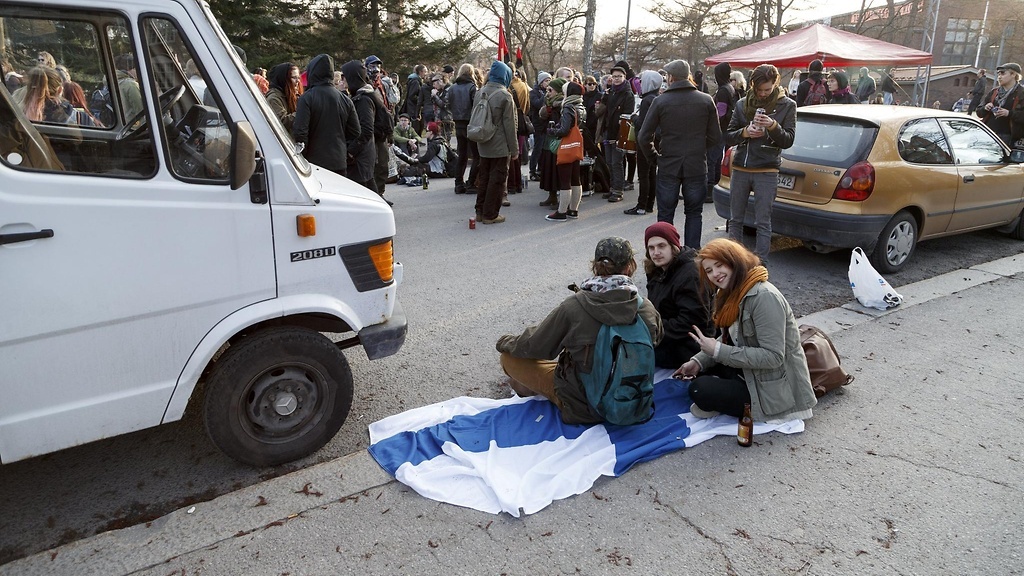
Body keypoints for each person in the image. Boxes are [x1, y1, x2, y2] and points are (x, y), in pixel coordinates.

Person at [495, 237, 663, 425]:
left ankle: (523, 388)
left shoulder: (574, 307)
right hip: (633, 399)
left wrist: (504, 341)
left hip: (582, 406)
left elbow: (536, 346)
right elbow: (656, 338)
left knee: (509, 359)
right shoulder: (645, 307)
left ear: (595, 266)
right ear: (630, 267)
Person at [673, 238, 816, 422]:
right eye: (709, 270)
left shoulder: (764, 296)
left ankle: (730, 402)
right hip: (748, 371)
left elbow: (773, 357)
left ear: (734, 261)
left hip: (770, 388)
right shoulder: (730, 292)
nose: (715, 274)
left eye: (719, 265)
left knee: (699, 389)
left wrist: (717, 351)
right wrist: (698, 362)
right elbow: (731, 338)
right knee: (690, 359)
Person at [636, 59, 721, 246]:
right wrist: (699, 148)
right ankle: (691, 254)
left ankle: (667, 255)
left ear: (671, 77)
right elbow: (715, 137)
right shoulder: (705, 100)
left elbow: (643, 136)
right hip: (696, 165)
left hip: (668, 164)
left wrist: (654, 158)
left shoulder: (661, 101)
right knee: (694, 213)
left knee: (665, 215)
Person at [724, 63, 796, 266]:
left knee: (763, 222)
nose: (763, 94)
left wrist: (772, 126)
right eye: (759, 89)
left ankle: (760, 264)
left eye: (767, 89)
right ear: (752, 86)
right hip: (741, 167)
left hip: (767, 169)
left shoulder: (787, 105)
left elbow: (788, 140)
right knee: (735, 219)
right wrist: (745, 132)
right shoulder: (742, 104)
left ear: (775, 84)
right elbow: (728, 136)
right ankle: (734, 261)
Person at [643, 222, 712, 369]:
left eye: (661, 246)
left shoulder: (690, 274)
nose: (656, 252)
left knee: (633, 353)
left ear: (673, 246)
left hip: (688, 345)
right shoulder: (657, 269)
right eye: (651, 248)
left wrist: (651, 329)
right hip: (666, 336)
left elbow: (692, 323)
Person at [292, 54, 360, 177]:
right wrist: (344, 148)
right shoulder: (345, 99)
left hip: (314, 162)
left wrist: (304, 154)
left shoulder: (306, 98)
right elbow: (355, 131)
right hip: (339, 160)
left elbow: (300, 132)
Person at [472, 60, 518, 225]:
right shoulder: (505, 96)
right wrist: (514, 150)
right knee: (497, 180)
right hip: (499, 144)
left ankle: (479, 211)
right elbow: (510, 126)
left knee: (484, 177)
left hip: (483, 141)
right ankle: (490, 214)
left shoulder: (480, 92)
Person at [544, 81, 585, 222]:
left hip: (566, 146)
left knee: (565, 181)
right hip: (576, 145)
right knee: (575, 179)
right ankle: (573, 210)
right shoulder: (580, 105)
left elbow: (564, 130)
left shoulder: (568, 107)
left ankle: (561, 212)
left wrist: (552, 131)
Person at [624, 70, 663, 216]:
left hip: (645, 140)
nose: (639, 83)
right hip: (655, 139)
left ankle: (641, 205)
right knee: (651, 172)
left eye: (642, 81)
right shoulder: (657, 98)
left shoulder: (647, 100)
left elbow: (643, 123)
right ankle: (649, 204)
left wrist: (634, 117)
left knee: (643, 174)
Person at [341, 59, 379, 194]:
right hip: (364, 152)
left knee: (364, 192)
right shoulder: (359, 96)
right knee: (369, 189)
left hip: (362, 153)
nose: (342, 80)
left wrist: (351, 150)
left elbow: (366, 129)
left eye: (344, 77)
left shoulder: (363, 100)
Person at [600, 62, 635, 203]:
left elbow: (627, 115)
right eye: (614, 76)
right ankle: (612, 187)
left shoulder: (628, 94)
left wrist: (620, 133)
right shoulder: (610, 92)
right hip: (608, 130)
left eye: (619, 76)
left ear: (624, 77)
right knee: (609, 161)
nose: (617, 79)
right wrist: (605, 92)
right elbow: (604, 108)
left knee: (617, 162)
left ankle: (618, 190)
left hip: (620, 132)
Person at [447, 63, 478, 195]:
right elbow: (476, 105)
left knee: (462, 155)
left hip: (458, 123)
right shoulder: (472, 87)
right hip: (470, 123)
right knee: (477, 156)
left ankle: (458, 183)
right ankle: (471, 183)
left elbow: (448, 104)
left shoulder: (452, 88)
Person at [708, 61, 736, 203]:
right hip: (725, 129)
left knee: (711, 159)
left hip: (719, 130)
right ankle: (716, 186)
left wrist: (711, 126)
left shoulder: (723, 90)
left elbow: (721, 112)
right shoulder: (729, 87)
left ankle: (709, 190)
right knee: (717, 158)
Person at [977, 62, 1023, 147]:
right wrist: (985, 108)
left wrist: (1009, 113)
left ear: (1013, 74)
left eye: (1003, 73)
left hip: (1009, 138)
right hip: (989, 133)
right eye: (998, 74)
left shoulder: (1021, 93)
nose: (999, 76)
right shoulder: (994, 92)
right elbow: (979, 112)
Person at [529, 71, 551, 181]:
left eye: (550, 80)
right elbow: (537, 104)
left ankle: (541, 170)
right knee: (537, 148)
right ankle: (532, 171)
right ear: (541, 82)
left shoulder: (550, 92)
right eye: (546, 81)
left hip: (547, 124)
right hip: (538, 124)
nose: (548, 83)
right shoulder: (534, 93)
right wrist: (545, 95)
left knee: (545, 149)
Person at [266, 63, 301, 132]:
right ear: (283, 79)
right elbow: (282, 122)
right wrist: (303, 111)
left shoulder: (291, 95)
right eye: (294, 78)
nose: (298, 81)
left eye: (298, 77)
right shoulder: (274, 99)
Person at [404, 64, 426, 133]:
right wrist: (422, 100)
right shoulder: (415, 82)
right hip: (413, 109)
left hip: (414, 108)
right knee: (416, 129)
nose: (426, 74)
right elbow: (412, 96)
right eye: (425, 71)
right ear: (420, 72)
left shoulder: (417, 81)